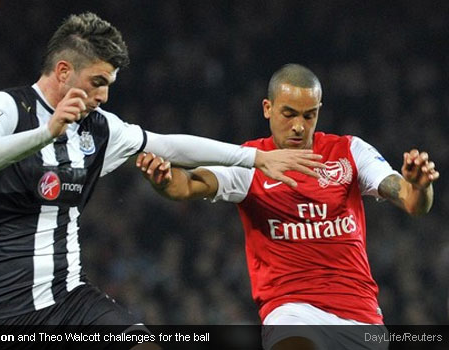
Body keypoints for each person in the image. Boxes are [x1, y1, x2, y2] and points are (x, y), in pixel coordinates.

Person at [0, 13, 326, 349]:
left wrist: (256, 157)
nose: (104, 95)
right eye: (97, 81)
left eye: (109, 83)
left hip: (69, 301)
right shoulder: (9, 107)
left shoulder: (99, 128)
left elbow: (170, 145)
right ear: (63, 71)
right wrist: (46, 132)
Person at [137, 64, 440, 350]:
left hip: (360, 316)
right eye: (289, 114)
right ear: (267, 109)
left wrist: (420, 185)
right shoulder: (250, 161)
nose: (298, 126)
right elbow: (186, 185)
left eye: (309, 116)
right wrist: (162, 179)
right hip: (291, 310)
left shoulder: (349, 152)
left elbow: (414, 204)